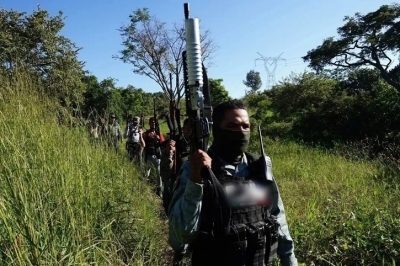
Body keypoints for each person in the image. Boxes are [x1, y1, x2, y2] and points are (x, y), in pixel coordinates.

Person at [168, 100, 298, 266]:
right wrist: (196, 181)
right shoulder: (194, 169)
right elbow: (180, 236)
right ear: (216, 130)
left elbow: (277, 217)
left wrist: (289, 259)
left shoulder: (258, 168)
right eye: (232, 126)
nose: (241, 132)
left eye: (246, 126)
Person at [160, 118, 191, 215]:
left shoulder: (203, 146)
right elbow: (165, 174)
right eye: (188, 129)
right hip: (177, 190)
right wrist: (169, 154)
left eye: (193, 129)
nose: (191, 132)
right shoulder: (175, 146)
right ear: (184, 129)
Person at [142, 117, 165, 197]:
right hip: (148, 156)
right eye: (152, 122)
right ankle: (144, 188)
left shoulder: (159, 133)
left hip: (157, 156)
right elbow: (143, 143)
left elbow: (163, 144)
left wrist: (158, 139)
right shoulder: (146, 133)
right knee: (146, 173)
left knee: (159, 173)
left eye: (154, 122)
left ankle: (159, 189)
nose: (153, 123)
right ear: (149, 123)